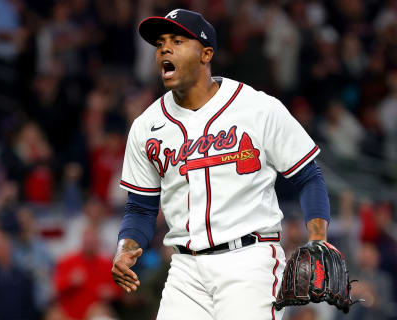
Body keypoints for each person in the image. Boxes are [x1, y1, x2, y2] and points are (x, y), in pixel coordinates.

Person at [112, 9, 333, 320]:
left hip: (249, 261)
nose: (164, 48)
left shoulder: (258, 108)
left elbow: (309, 176)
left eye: (177, 40)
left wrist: (318, 238)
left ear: (206, 54)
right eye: (160, 42)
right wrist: (124, 248)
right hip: (185, 270)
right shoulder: (146, 125)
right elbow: (140, 207)